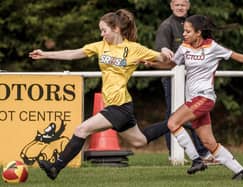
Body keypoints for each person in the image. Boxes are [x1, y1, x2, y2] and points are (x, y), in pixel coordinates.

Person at [29, 9, 179, 180]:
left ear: (116, 29)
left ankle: (56, 167)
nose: (101, 34)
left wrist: (165, 53)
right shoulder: (100, 46)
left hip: (120, 106)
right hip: (117, 106)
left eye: (104, 30)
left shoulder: (134, 49)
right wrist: (45, 54)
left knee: (82, 129)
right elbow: (72, 54)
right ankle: (177, 122)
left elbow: (164, 59)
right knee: (140, 141)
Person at [143, 14, 243, 180]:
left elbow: (239, 57)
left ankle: (196, 160)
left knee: (173, 122)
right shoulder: (184, 47)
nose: (184, 34)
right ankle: (241, 172)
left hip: (205, 98)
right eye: (184, 31)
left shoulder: (213, 47)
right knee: (209, 143)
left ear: (198, 32)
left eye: (187, 31)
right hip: (193, 101)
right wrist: (153, 63)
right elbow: (171, 64)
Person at [155, 0, 211, 161]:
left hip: (194, 77)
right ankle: (174, 153)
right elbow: (162, 49)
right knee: (172, 113)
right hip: (172, 76)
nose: (180, 8)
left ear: (188, 5)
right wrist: (164, 51)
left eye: (183, 5)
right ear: (171, 6)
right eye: (177, 5)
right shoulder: (166, 25)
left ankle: (203, 152)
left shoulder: (195, 23)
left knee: (196, 112)